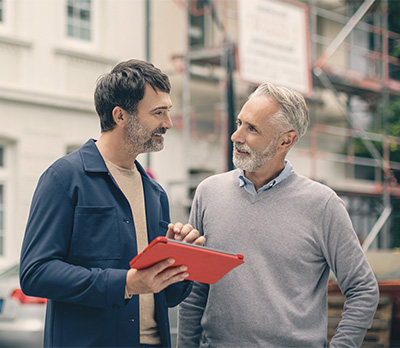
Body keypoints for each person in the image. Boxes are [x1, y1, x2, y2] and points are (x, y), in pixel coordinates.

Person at [177, 82, 379, 348]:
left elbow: (363, 290)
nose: (236, 136)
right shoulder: (208, 192)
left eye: (252, 129)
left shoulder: (323, 205)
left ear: (286, 140)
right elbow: (195, 289)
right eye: (240, 122)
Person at [19, 59, 205, 348]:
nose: (168, 123)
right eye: (158, 113)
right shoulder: (64, 177)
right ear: (120, 116)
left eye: (168, 112)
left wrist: (181, 259)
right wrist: (126, 284)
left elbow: (165, 296)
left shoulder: (154, 192)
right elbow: (36, 273)